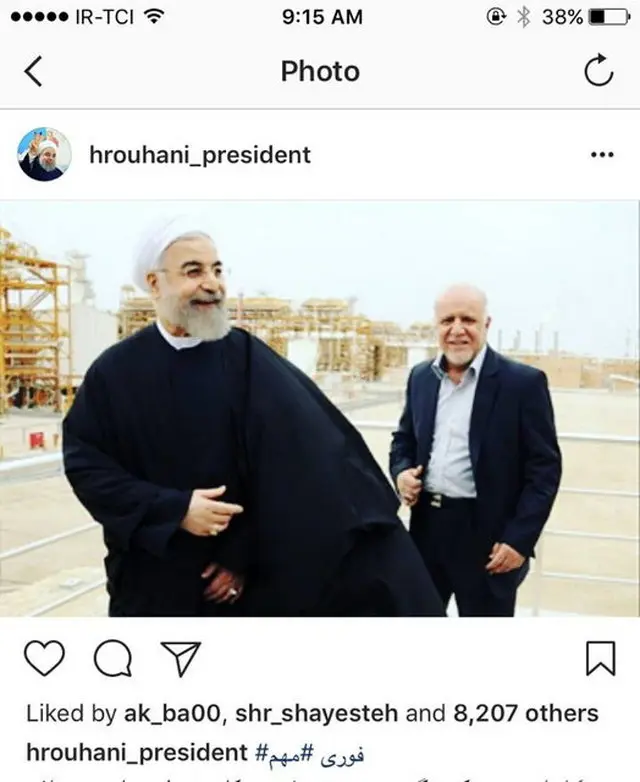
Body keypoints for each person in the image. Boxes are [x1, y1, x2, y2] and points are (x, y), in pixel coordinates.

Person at [63, 218, 444, 618]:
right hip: (149, 581)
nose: (212, 284)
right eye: (193, 271)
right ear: (155, 284)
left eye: (217, 270)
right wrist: (175, 510)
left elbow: (296, 465)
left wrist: (239, 556)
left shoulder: (248, 360)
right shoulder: (115, 372)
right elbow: (88, 466)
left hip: (234, 588)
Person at [389, 284, 562, 617]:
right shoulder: (421, 377)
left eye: (467, 319)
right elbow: (404, 440)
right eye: (447, 320)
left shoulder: (522, 384)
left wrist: (519, 540)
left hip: (488, 541)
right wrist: (401, 473)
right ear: (436, 326)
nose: (457, 330)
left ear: (487, 324)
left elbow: (545, 470)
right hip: (427, 531)